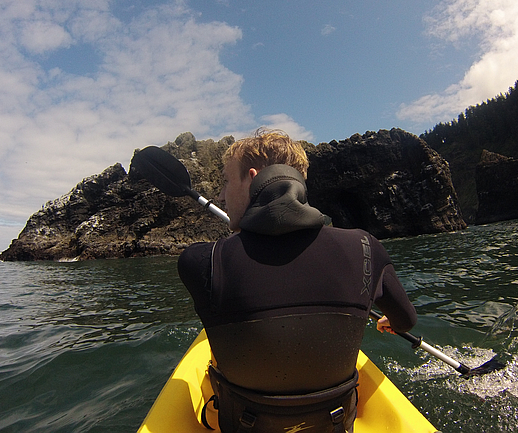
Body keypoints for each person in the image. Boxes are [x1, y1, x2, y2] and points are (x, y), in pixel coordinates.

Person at [178, 129, 417, 433]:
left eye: (226, 181)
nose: (222, 196)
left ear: (253, 179)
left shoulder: (199, 262)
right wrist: (390, 321)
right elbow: (406, 320)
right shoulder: (366, 247)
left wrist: (248, 234)